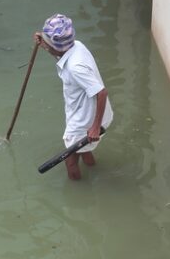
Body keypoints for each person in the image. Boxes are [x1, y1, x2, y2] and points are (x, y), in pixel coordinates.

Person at [34, 14, 113, 180]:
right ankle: (93, 169)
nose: (46, 45)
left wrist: (95, 126)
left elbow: (101, 92)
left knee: (70, 163)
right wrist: (45, 46)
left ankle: (78, 198)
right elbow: (61, 54)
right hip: (85, 112)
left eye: (48, 42)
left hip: (84, 119)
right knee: (84, 149)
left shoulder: (76, 67)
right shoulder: (76, 46)